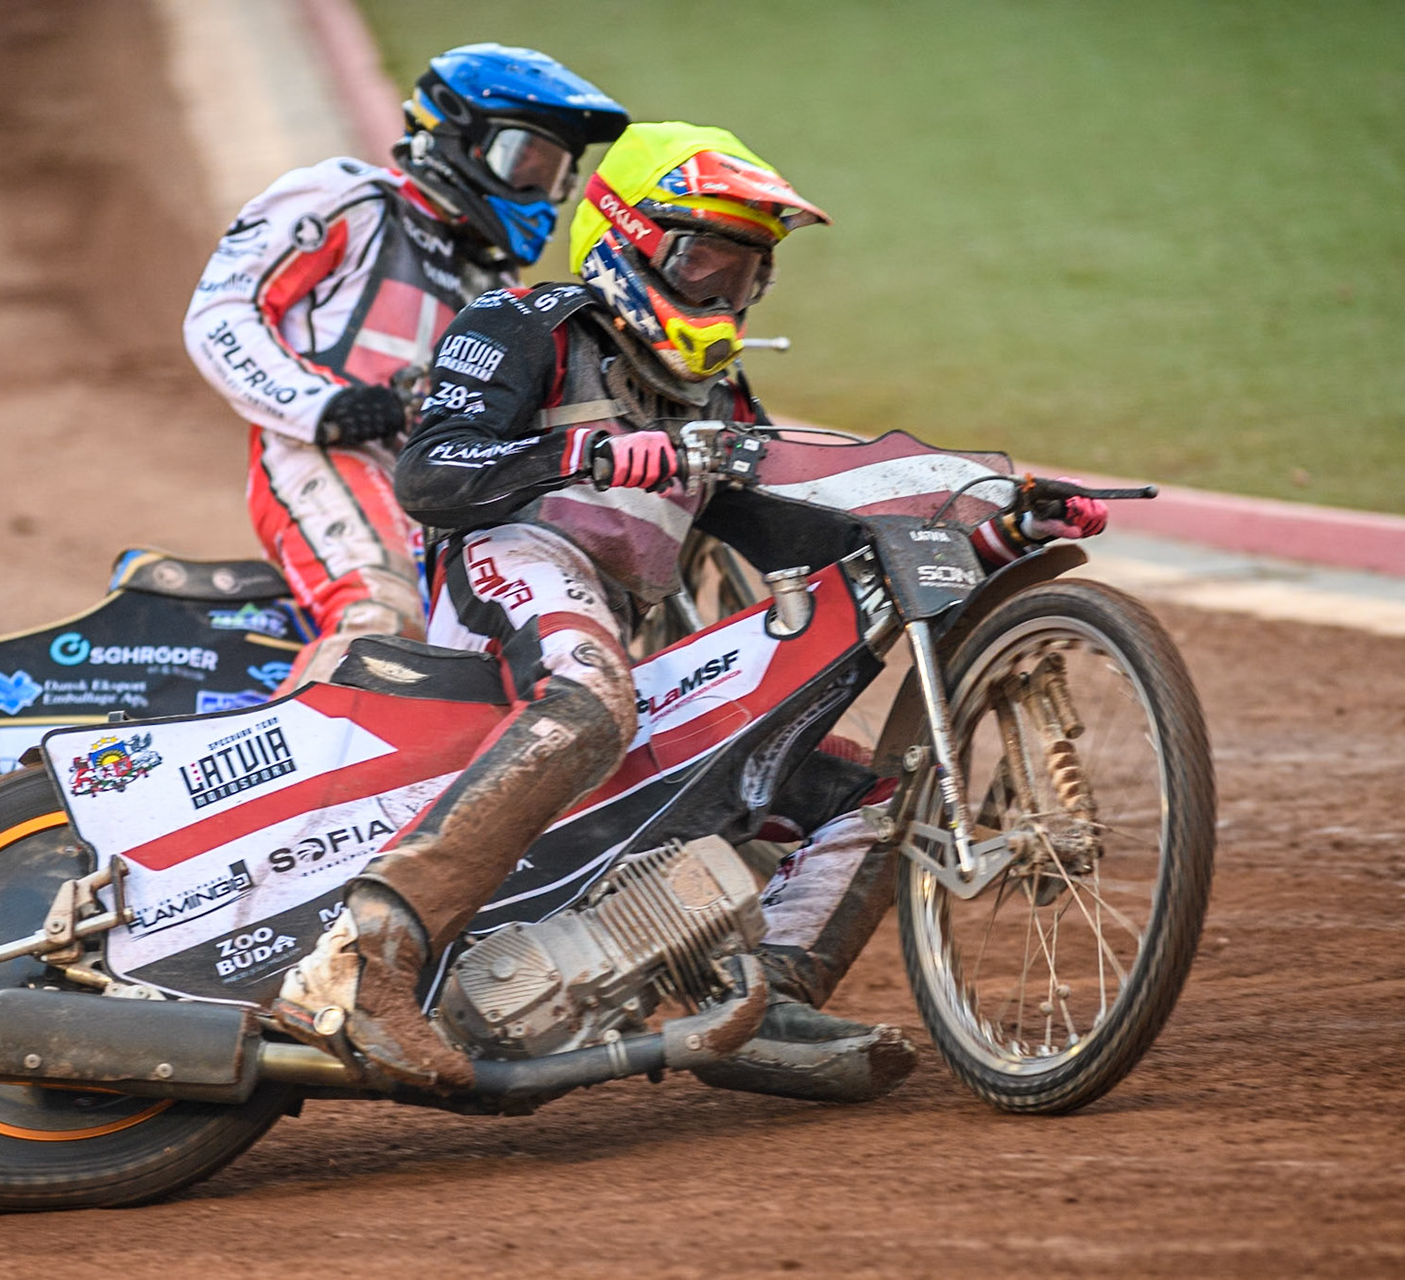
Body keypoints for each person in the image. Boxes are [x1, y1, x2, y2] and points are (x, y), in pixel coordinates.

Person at [274, 122, 1111, 1100]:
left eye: (745, 271)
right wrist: (580, 454)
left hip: (618, 624)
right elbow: (430, 473)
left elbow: (800, 529)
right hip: (510, 573)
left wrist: (988, 531)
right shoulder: (523, 322)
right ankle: (364, 959)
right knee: (593, 695)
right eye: (701, 257)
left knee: (870, 789)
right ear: (628, 239)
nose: (722, 291)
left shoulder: (718, 389)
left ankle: (773, 993)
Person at [183, 44, 628, 689]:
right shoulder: (352, 200)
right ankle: (277, 780)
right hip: (329, 454)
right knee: (382, 620)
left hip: (437, 487)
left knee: (488, 651)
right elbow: (222, 312)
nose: (541, 190)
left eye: (555, 173)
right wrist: (321, 406)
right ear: (456, 136)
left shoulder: (498, 281)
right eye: (523, 160)